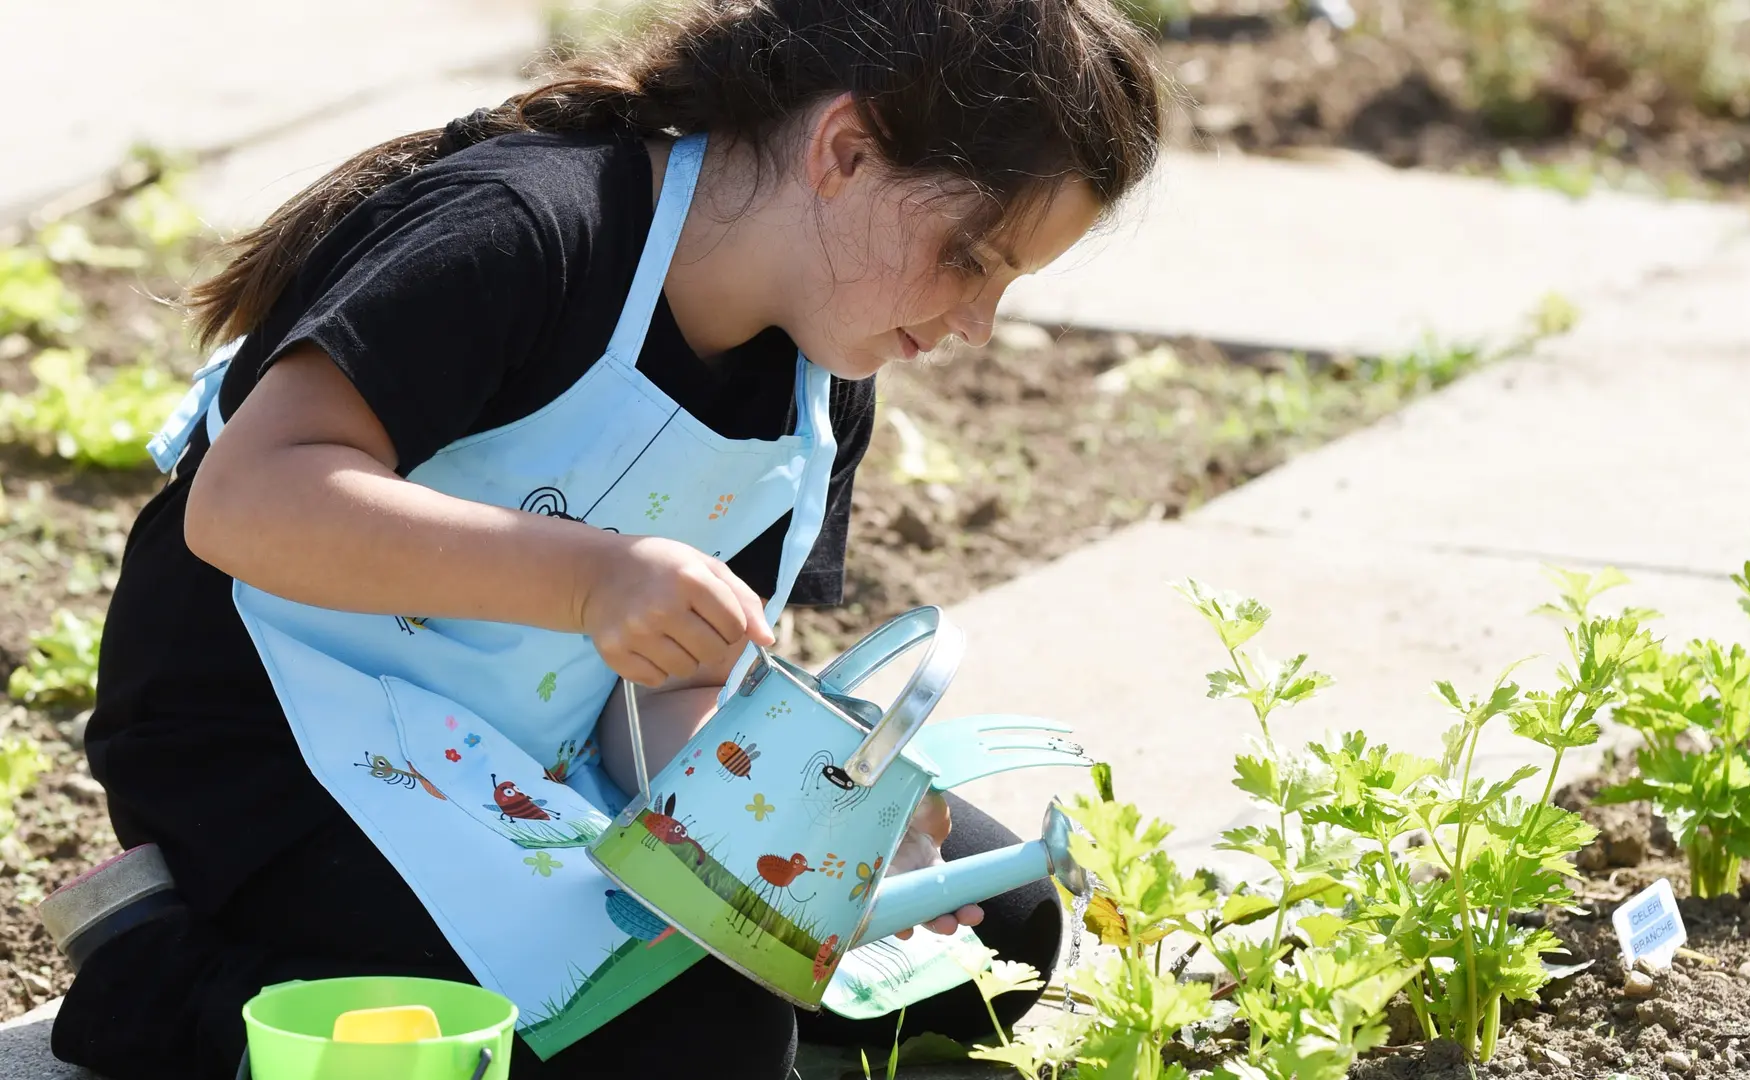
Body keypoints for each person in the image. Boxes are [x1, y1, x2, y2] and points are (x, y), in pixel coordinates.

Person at [44, 1, 1162, 1077]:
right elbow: (244, 504)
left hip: (527, 752)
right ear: (846, 151)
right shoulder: (527, 230)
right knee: (698, 1032)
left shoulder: (828, 376)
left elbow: (673, 691)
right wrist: (589, 580)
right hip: (274, 740)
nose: (977, 323)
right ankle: (166, 979)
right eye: (971, 258)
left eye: (1010, 284)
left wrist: (793, 848)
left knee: (992, 946)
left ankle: (389, 984)